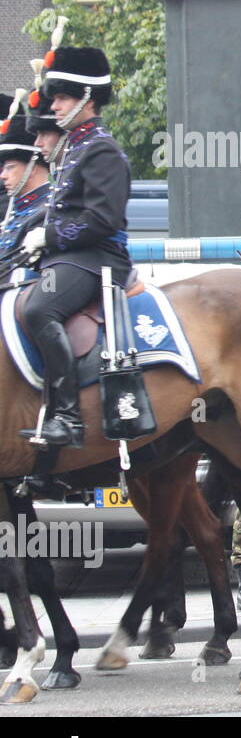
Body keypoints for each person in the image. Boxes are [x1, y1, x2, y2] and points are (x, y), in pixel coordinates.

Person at [18, 45, 130, 450]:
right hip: (73, 256)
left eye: (62, 97)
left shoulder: (101, 149)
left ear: (86, 98)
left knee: (38, 309)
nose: (56, 105)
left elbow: (102, 220)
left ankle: (67, 418)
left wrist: (51, 237)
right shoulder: (76, 147)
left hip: (99, 260)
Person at [0, 96, 51, 255]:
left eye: (10, 168)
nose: (3, 176)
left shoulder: (46, 212)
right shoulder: (16, 211)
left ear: (32, 167)